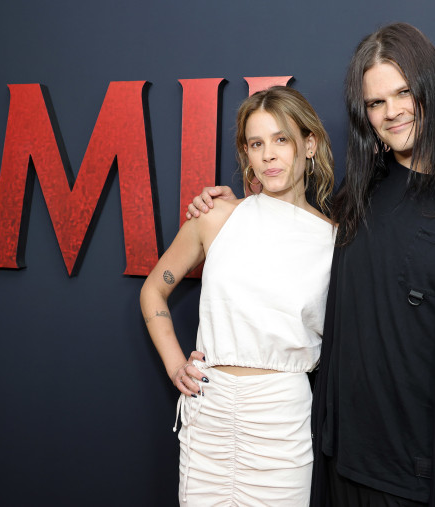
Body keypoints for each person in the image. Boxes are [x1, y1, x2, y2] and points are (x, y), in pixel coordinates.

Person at [185, 23, 435, 507]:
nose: (393, 112)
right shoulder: (359, 196)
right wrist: (230, 208)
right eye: (376, 103)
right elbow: (290, 233)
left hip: (432, 479)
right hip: (341, 467)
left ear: (433, 87)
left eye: (404, 93)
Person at [140, 86, 335, 506]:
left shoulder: (335, 242)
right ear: (246, 153)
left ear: (309, 144)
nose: (269, 155)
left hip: (281, 421)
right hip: (208, 411)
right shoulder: (215, 217)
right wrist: (176, 365)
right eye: (256, 143)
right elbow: (154, 289)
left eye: (281, 139)